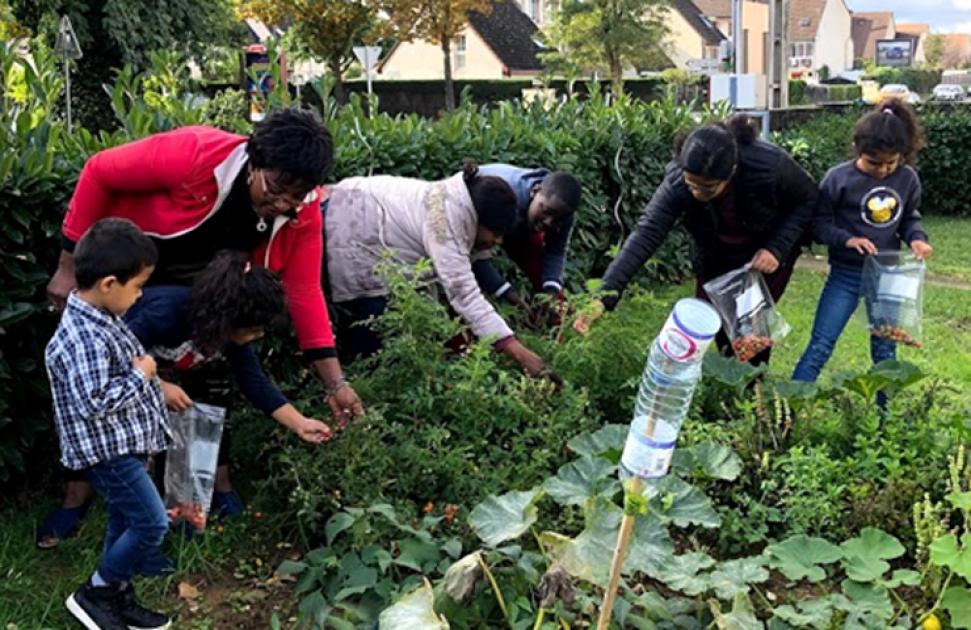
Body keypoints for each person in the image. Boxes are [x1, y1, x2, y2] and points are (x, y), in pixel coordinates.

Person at [38, 108, 362, 549]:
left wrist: (335, 383)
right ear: (254, 158)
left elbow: (304, 291)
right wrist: (69, 266)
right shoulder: (193, 155)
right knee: (107, 378)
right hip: (132, 276)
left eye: (297, 195)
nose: (284, 204)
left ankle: (195, 496)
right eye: (276, 189)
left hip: (210, 291)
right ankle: (78, 495)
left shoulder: (302, 212)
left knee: (210, 380)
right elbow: (99, 171)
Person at [574, 115, 817, 365]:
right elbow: (646, 233)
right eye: (692, 185)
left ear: (731, 172)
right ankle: (725, 382)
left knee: (749, 335)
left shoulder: (768, 165)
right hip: (715, 257)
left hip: (761, 259)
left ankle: (753, 393)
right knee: (712, 324)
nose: (697, 193)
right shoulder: (678, 181)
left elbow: (808, 199)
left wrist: (777, 248)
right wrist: (603, 297)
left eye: (708, 188)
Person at [125, 252, 335, 520]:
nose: (257, 335)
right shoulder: (165, 314)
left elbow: (254, 381)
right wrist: (158, 387)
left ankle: (172, 512)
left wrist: (300, 423)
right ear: (228, 317)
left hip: (152, 383)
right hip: (116, 387)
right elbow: (115, 355)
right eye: (254, 328)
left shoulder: (229, 336)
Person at [46, 219, 172, 630]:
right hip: (108, 453)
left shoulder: (102, 319)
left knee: (124, 520)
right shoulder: (84, 335)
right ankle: (96, 592)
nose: (139, 296)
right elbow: (94, 401)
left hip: (124, 447)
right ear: (108, 283)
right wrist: (143, 374)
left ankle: (115, 596)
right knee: (151, 522)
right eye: (136, 287)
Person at [324, 162, 551, 377]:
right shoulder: (445, 223)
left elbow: (475, 263)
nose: (498, 241)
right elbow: (464, 294)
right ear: (478, 221)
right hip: (353, 221)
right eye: (496, 233)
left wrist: (511, 300)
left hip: (361, 206)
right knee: (377, 314)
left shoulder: (462, 205)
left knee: (402, 315)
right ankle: (367, 384)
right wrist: (521, 354)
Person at [792, 99, 932, 393]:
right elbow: (819, 225)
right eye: (874, 162)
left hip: (888, 276)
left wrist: (918, 239)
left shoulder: (907, 179)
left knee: (885, 352)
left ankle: (886, 426)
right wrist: (848, 240)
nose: (882, 170)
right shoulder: (838, 178)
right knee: (821, 343)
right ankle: (790, 410)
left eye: (890, 163)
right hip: (846, 275)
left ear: (901, 156)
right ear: (858, 150)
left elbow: (909, 218)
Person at [472, 164, 582, 324]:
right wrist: (506, 292)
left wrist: (550, 293)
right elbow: (472, 254)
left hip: (522, 225)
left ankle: (560, 330)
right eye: (546, 212)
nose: (549, 222)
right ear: (535, 191)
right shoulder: (502, 198)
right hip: (481, 219)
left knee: (554, 296)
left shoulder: (563, 212)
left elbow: (555, 252)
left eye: (557, 220)